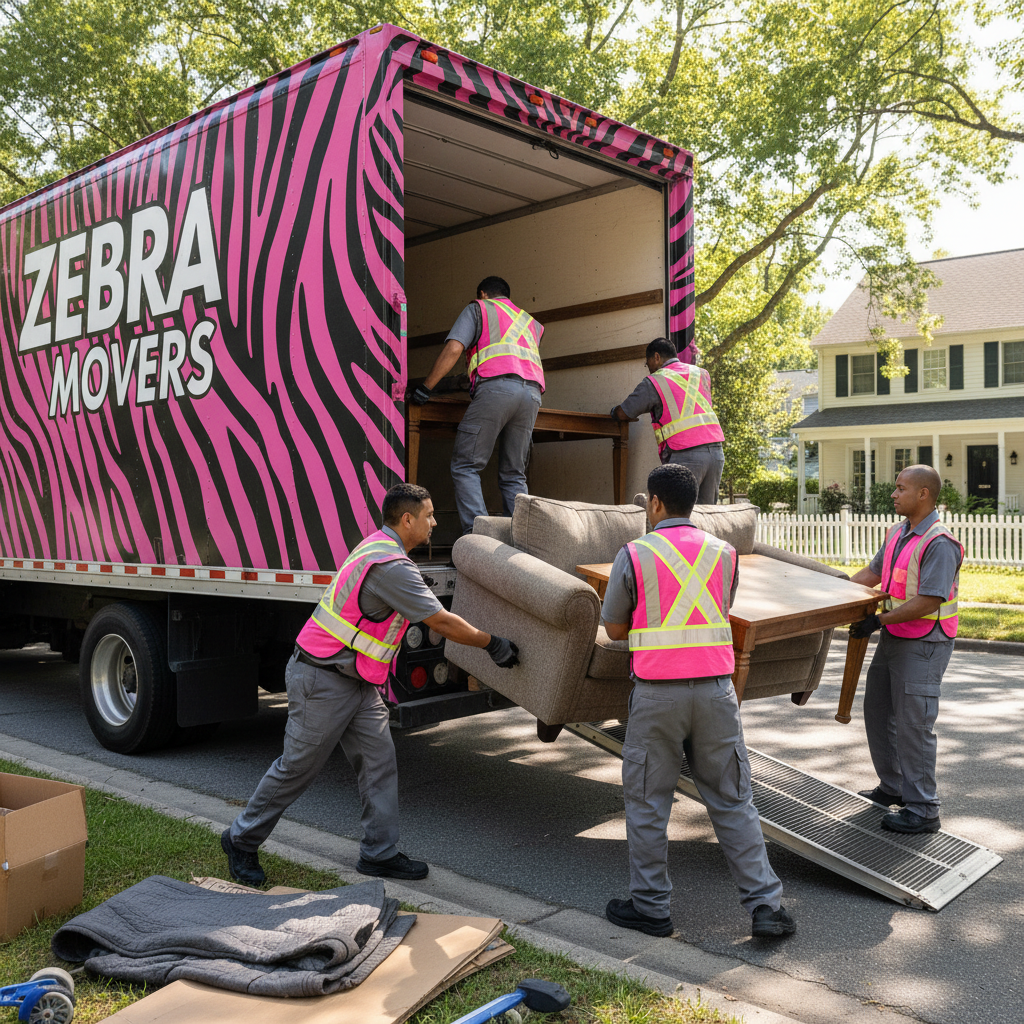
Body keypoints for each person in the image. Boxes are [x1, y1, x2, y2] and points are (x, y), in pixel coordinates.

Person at [222, 483, 521, 886]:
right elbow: (441, 622)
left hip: (355, 682)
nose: (435, 522)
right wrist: (492, 643)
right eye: (429, 515)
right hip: (322, 678)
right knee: (297, 768)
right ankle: (240, 839)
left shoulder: (381, 547)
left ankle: (379, 854)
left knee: (379, 764)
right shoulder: (391, 568)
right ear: (407, 519)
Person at [601, 463, 795, 939]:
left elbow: (614, 628)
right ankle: (766, 907)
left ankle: (651, 908)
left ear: (655, 503)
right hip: (716, 695)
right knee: (733, 802)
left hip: (656, 697)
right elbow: (718, 609)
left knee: (648, 805)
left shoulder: (634, 554)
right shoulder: (724, 553)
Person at [848, 465, 963, 834]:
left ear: (924, 494)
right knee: (878, 710)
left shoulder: (939, 542)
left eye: (901, 489)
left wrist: (878, 622)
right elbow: (873, 572)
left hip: (925, 642)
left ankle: (924, 808)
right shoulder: (898, 531)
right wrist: (833, 593)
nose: (894, 495)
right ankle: (894, 786)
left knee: (914, 724)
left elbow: (929, 600)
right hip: (897, 636)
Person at [411, 276, 544, 534]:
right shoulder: (531, 323)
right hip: (531, 396)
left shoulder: (479, 308)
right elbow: (511, 359)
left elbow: (454, 349)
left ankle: (479, 539)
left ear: (483, 293)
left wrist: (426, 387)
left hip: (496, 390)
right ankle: (523, 541)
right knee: (514, 474)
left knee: (466, 465)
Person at [611, 338, 725, 505]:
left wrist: (613, 412)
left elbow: (625, 412)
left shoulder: (655, 380)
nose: (648, 368)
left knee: (676, 513)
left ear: (656, 357)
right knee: (706, 516)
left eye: (647, 362)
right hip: (716, 453)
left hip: (686, 454)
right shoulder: (701, 374)